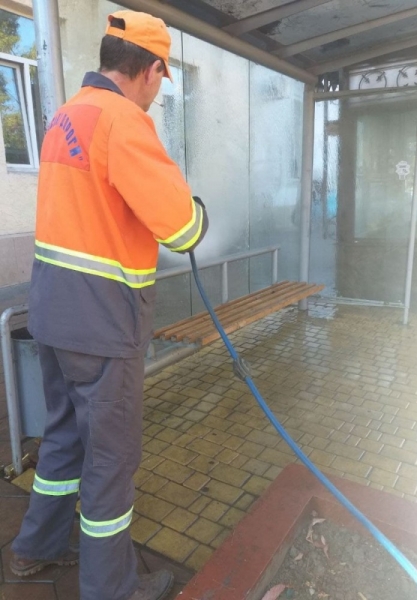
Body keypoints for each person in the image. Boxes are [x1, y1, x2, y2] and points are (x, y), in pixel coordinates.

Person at [9, 10, 208, 600]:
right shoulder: (123, 121)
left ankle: (34, 549)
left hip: (51, 315)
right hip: (101, 327)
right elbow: (181, 229)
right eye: (160, 79)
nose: (157, 93)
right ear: (150, 70)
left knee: (64, 440)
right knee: (110, 463)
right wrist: (198, 214)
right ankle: (111, 589)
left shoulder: (66, 116)